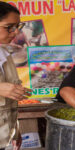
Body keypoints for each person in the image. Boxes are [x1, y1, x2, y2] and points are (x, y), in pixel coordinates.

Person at [0, 2, 32, 150]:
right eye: (9, 27)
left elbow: (8, 103)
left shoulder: (5, 54)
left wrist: (15, 129)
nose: (16, 32)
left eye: (18, 26)